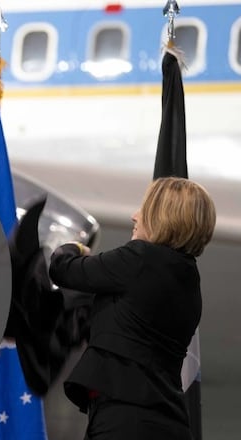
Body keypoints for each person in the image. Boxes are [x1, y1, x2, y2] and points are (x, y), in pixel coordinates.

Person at [48, 176, 216, 440]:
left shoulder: (140, 260)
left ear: (163, 217)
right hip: (169, 424)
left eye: (145, 209)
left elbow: (62, 269)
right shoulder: (189, 279)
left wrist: (74, 247)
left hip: (125, 423)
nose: (134, 216)